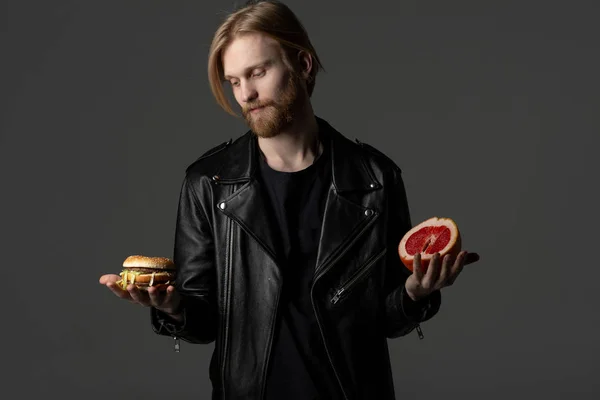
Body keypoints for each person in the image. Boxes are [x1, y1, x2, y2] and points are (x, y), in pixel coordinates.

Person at [99, 1, 480, 399]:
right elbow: (205, 322)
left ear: (303, 64)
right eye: (234, 81)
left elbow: (383, 317)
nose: (246, 93)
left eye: (257, 72)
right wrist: (172, 306)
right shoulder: (208, 183)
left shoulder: (375, 178)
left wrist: (416, 292)